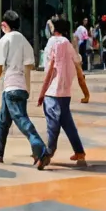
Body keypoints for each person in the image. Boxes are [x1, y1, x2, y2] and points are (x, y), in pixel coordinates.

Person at [0, 10, 50, 169]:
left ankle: (41, 149)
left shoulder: (4, 40)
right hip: (20, 87)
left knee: (21, 120)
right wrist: (27, 88)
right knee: (3, 121)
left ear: (4, 25)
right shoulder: (24, 41)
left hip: (10, 88)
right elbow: (29, 65)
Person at [36, 16, 89, 164]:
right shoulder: (68, 44)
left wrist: (42, 93)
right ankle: (79, 151)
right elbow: (77, 63)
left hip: (53, 91)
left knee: (52, 125)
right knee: (67, 123)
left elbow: (50, 70)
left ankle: (48, 153)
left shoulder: (53, 43)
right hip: (65, 92)